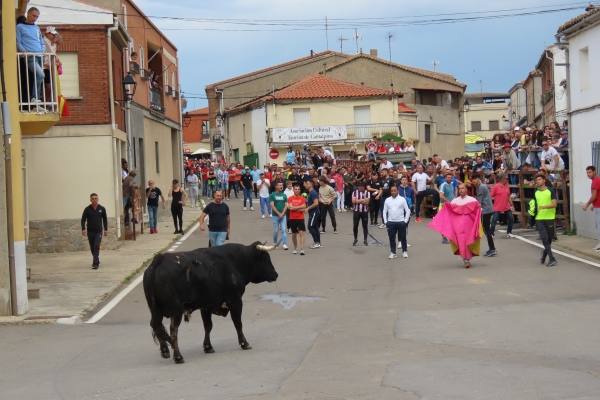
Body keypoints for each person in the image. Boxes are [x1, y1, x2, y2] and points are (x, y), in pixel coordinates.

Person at [429, 183, 482, 268]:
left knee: (468, 240)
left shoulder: (472, 200)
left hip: (469, 226)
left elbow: (478, 210)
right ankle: (466, 259)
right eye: (459, 189)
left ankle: (467, 258)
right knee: (461, 241)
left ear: (466, 190)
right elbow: (449, 211)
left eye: (463, 188)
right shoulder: (455, 201)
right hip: (458, 227)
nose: (461, 190)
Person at [16, 7, 45, 106]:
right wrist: (25, 52)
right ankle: (34, 97)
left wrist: (43, 50)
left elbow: (41, 41)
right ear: (28, 14)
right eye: (33, 15)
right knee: (41, 75)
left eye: (37, 17)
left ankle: (36, 99)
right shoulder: (19, 27)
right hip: (30, 56)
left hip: (40, 55)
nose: (35, 18)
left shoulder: (37, 28)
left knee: (38, 77)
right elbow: (18, 42)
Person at [532, 174, 558, 267]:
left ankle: (544, 256)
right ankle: (552, 259)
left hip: (550, 218)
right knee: (544, 238)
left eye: (539, 179)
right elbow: (533, 204)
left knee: (549, 240)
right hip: (539, 218)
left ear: (544, 180)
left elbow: (554, 204)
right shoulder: (535, 192)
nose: (537, 181)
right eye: (536, 180)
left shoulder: (550, 190)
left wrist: (543, 207)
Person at [383, 185, 411, 259]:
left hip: (401, 222)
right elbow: (384, 211)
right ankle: (393, 252)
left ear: (397, 191)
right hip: (391, 222)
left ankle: (404, 251)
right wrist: (386, 222)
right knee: (391, 238)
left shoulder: (402, 199)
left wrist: (405, 221)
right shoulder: (387, 200)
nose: (393, 192)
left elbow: (408, 210)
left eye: (394, 190)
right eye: (392, 191)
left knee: (403, 238)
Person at [81, 193, 108, 269]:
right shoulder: (87, 209)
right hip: (90, 232)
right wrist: (83, 229)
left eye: (96, 198)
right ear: (90, 200)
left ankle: (95, 263)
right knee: (92, 248)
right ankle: (97, 259)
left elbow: (105, 219)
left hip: (98, 231)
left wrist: (105, 229)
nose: (94, 200)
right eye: (92, 198)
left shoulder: (102, 208)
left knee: (96, 246)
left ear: (98, 199)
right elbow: (83, 220)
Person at [472, 174, 496, 257]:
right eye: (473, 182)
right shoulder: (479, 186)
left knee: (486, 230)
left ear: (478, 179)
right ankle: (492, 248)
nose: (474, 183)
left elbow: (479, 201)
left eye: (475, 181)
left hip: (486, 210)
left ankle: (492, 249)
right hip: (487, 209)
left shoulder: (481, 187)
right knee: (486, 229)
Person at [582, 166, 600, 251]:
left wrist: (587, 204)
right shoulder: (596, 180)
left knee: (599, 226)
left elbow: (594, 195)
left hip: (599, 207)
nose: (588, 174)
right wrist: (593, 204)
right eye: (587, 172)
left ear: (594, 171)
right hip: (597, 205)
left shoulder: (596, 181)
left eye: (590, 172)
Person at [287, 184, 307, 255]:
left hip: (300, 218)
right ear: (293, 190)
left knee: (301, 233)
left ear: (300, 190)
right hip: (292, 218)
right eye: (296, 189)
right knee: (294, 234)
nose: (297, 190)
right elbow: (289, 207)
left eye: (298, 189)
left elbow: (304, 207)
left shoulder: (302, 198)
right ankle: (295, 248)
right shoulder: (290, 198)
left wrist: (294, 208)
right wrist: (300, 207)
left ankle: (302, 249)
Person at [270, 182, 289, 249]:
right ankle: (275, 243)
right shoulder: (272, 195)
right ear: (276, 186)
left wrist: (282, 213)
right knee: (276, 230)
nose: (281, 186)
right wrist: (278, 213)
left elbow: (286, 205)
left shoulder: (284, 195)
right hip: (275, 216)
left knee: (283, 230)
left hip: (283, 216)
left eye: (282, 185)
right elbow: (272, 205)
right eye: (280, 185)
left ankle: (284, 244)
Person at [352, 181, 371, 246]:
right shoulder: (354, 192)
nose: (360, 188)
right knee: (355, 226)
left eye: (361, 187)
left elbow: (367, 202)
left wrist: (358, 201)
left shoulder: (367, 193)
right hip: (356, 211)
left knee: (365, 226)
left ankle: (365, 239)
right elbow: (353, 201)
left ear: (364, 187)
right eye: (359, 186)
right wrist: (363, 200)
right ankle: (355, 239)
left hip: (364, 211)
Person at [304, 179, 321, 248]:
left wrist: (308, 208)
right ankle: (318, 243)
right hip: (314, 212)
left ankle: (316, 242)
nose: (305, 185)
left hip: (314, 213)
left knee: (310, 227)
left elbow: (316, 203)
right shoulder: (310, 193)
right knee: (315, 227)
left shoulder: (313, 192)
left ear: (311, 184)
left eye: (307, 183)